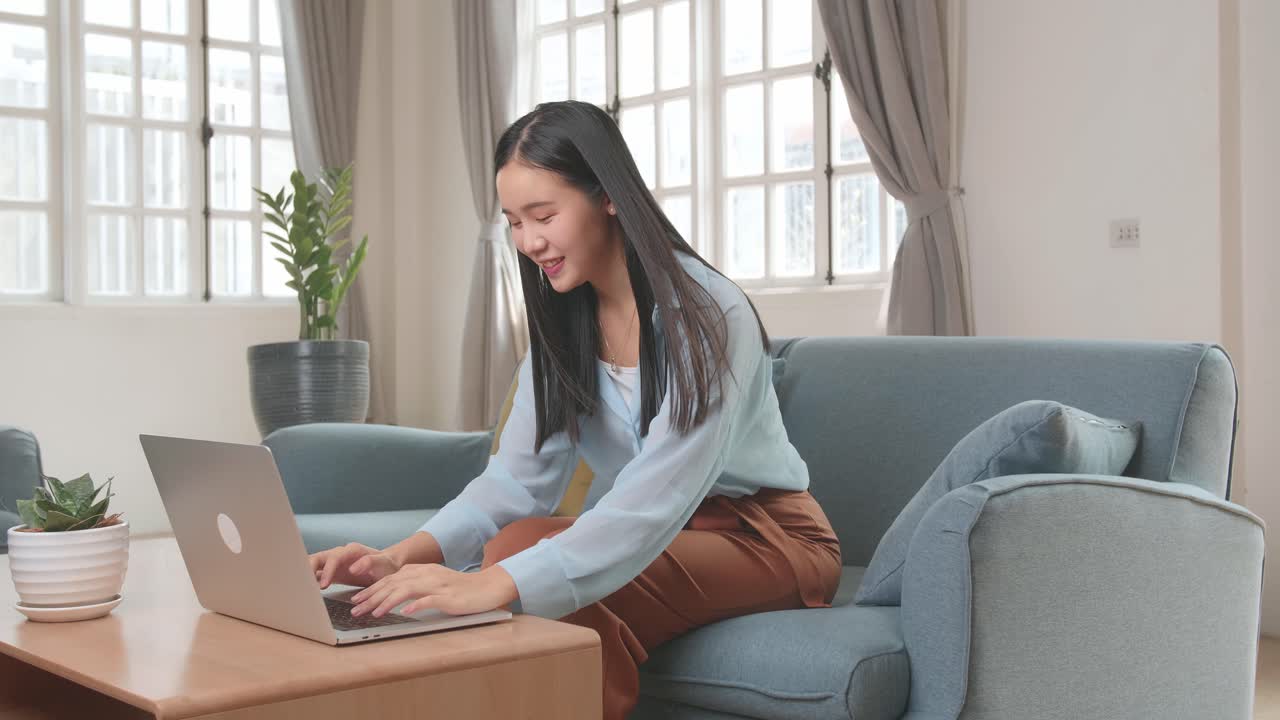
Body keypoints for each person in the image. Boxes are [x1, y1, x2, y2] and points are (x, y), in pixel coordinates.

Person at [307, 100, 842, 720]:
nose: (529, 242)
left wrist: (493, 582)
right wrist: (397, 558)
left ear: (608, 196)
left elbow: (655, 498)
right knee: (519, 544)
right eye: (513, 222)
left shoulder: (708, 313)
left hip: (771, 539)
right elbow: (514, 483)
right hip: (668, 536)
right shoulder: (563, 323)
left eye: (544, 215)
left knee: (522, 563)